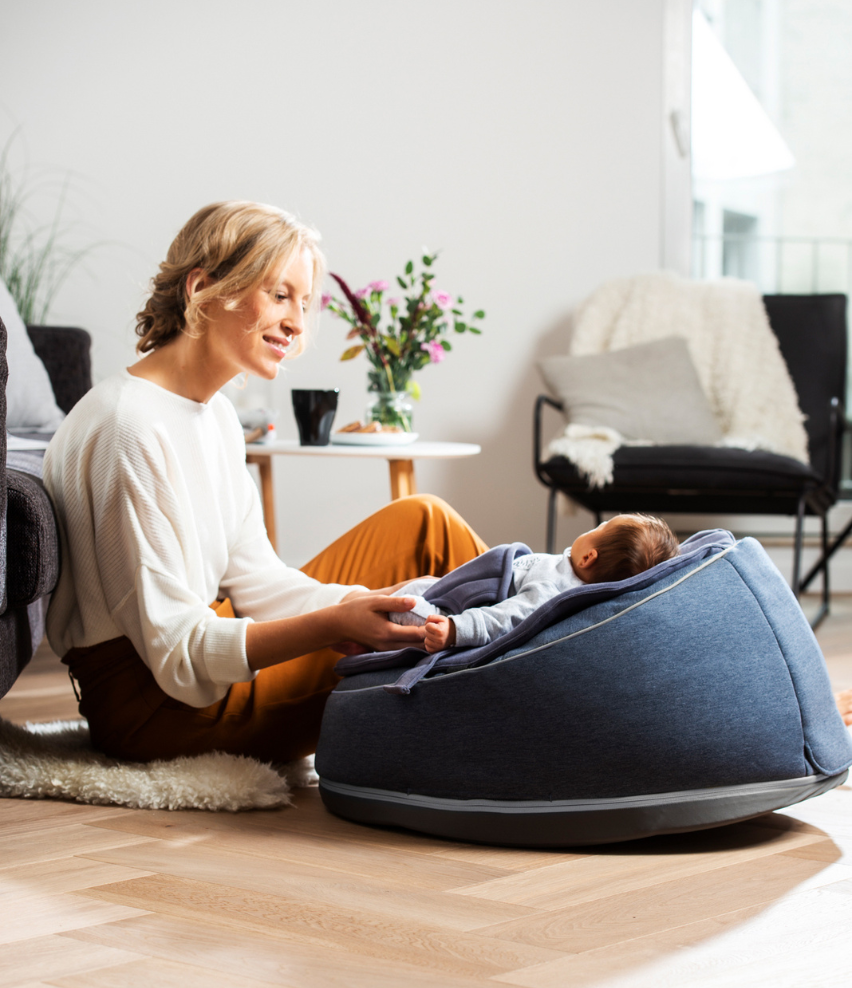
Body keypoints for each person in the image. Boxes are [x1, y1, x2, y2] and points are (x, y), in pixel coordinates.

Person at [43, 201, 487, 765]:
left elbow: (256, 582)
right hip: (161, 711)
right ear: (204, 287)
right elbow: (180, 656)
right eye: (280, 295)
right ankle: (557, 690)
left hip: (203, 660)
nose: (298, 324)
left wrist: (358, 605)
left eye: (304, 303)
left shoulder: (215, 415)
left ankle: (554, 652)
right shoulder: (126, 425)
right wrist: (333, 625)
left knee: (425, 520)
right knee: (431, 618)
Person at [389, 514, 679, 652]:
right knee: (414, 588)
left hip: (447, 618)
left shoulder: (553, 588)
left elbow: (511, 616)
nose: (595, 527)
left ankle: (363, 635)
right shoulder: (570, 574)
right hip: (459, 598)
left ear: (589, 558)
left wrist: (456, 630)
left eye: (599, 527)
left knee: (407, 601)